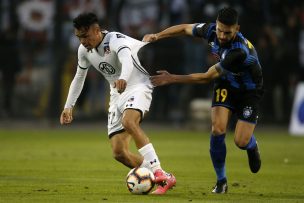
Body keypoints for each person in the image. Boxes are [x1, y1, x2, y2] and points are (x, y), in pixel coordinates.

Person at [143, 7, 262, 194]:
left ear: (237, 29)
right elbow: (183, 28)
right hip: (225, 84)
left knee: (240, 141)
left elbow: (207, 77)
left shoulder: (238, 52)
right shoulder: (211, 30)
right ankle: (221, 181)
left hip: (249, 91)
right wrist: (157, 35)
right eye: (220, 30)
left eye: (227, 32)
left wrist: (172, 78)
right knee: (217, 129)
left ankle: (251, 145)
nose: (222, 35)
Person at [60, 12, 176, 195]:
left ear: (97, 31)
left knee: (129, 122)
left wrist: (123, 78)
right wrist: (68, 106)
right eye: (78, 37)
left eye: (85, 36)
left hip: (138, 84)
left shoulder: (115, 40)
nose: (82, 41)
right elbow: (79, 77)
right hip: (117, 93)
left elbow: (126, 60)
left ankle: (159, 171)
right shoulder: (83, 51)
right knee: (119, 152)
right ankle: (163, 176)